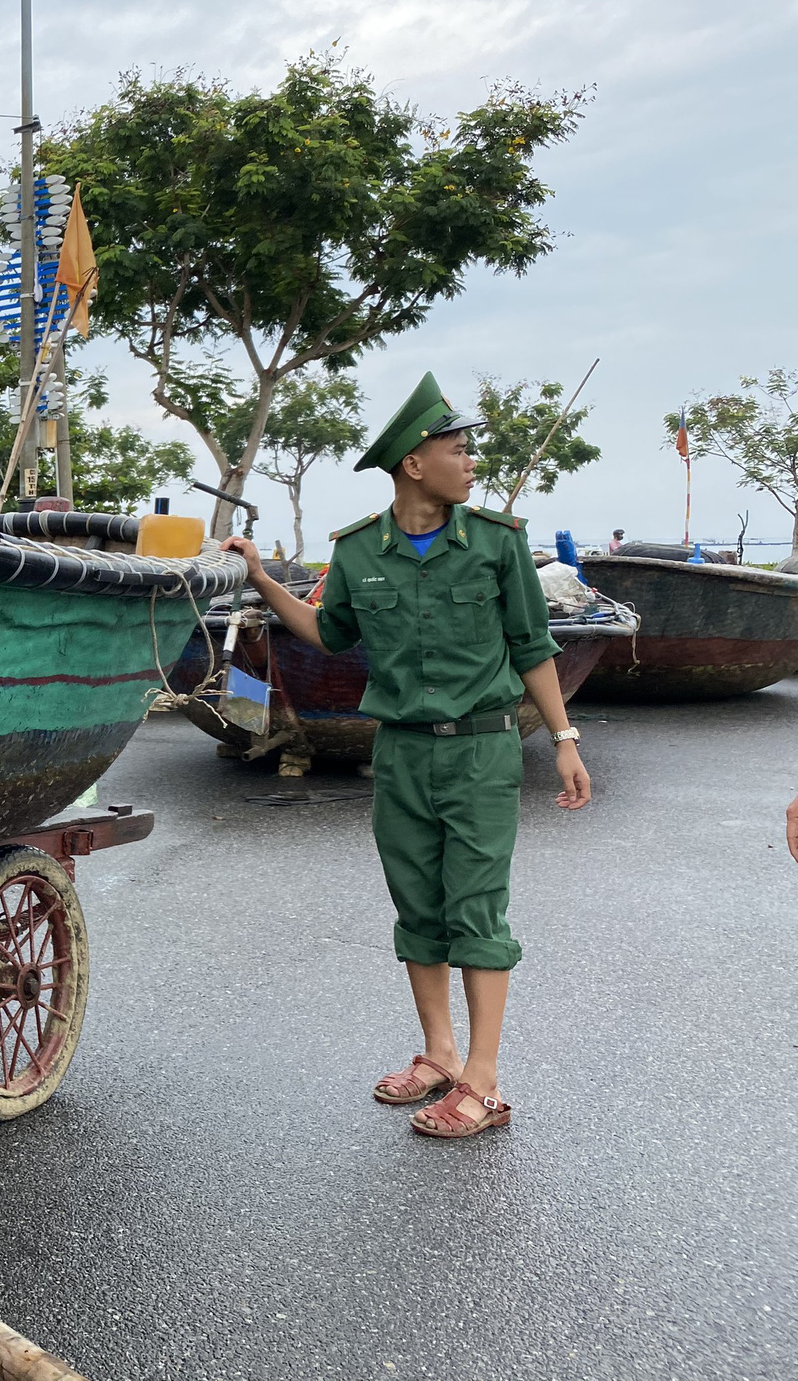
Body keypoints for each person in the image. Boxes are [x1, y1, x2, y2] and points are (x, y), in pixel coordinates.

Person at [222, 372, 591, 1139]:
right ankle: (440, 1057)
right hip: (401, 754)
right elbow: (330, 631)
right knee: (419, 907)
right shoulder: (360, 551)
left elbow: (532, 646)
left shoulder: (497, 541)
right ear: (415, 465)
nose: (471, 461)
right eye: (458, 449)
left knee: (477, 909)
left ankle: (483, 1085)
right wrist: (260, 577)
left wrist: (563, 740)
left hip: (483, 751)